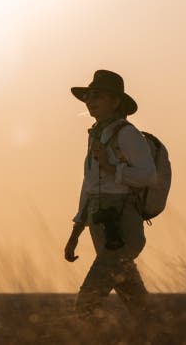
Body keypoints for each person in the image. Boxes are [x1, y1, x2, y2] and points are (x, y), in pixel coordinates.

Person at [64, 69, 157, 318]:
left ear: (115, 102)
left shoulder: (128, 134)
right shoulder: (96, 135)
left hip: (122, 226)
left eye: (98, 95)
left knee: (87, 301)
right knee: (138, 304)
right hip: (101, 224)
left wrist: (112, 168)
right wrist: (76, 231)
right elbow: (89, 186)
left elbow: (149, 176)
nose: (90, 101)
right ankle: (162, 336)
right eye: (89, 96)